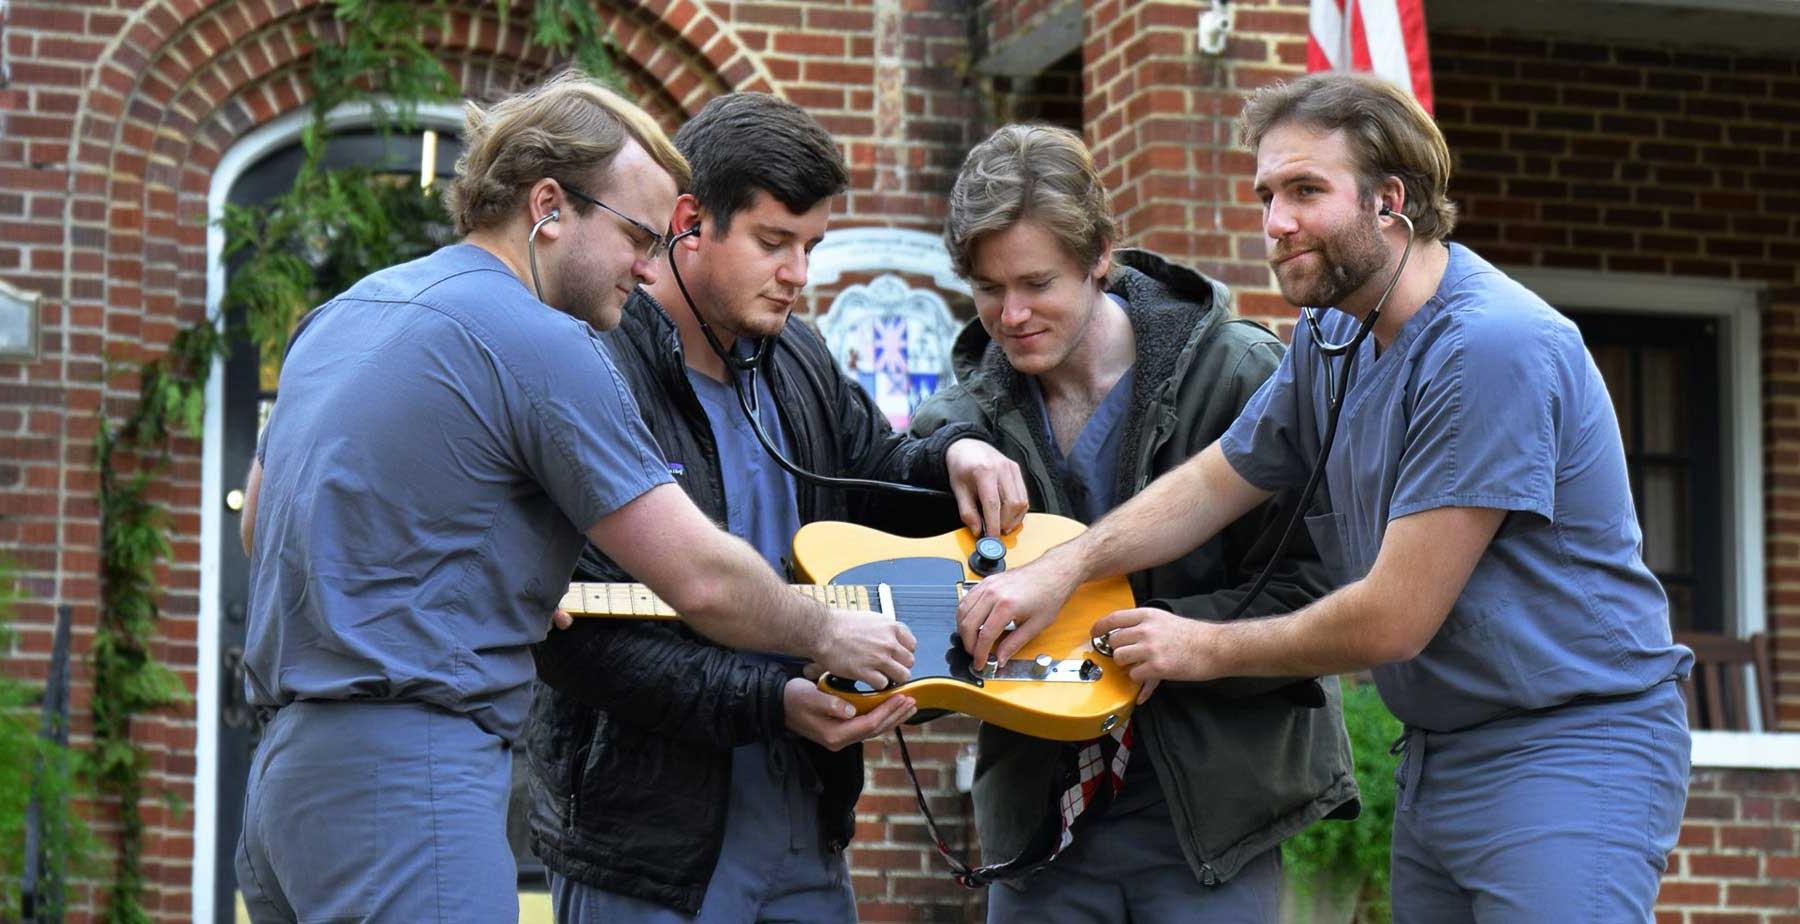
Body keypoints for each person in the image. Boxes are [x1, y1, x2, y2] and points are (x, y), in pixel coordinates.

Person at [957, 73, 1694, 923]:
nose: (1276, 222)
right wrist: (1065, 566)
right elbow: (1211, 482)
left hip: (1567, 748)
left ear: (1391, 200)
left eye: (1306, 190)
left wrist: (1202, 646)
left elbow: (1393, 618)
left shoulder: (1491, 347)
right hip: (1440, 751)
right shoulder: (1332, 336)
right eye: (1267, 193)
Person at [234, 73, 918, 923]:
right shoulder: (547, 342)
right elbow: (699, 578)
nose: (648, 261)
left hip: (284, 780)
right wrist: (829, 630)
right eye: (637, 231)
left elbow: (265, 527)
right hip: (410, 780)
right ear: (550, 206)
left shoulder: (341, 314)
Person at [524, 92, 1027, 923]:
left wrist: (956, 452)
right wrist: (772, 700)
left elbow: (877, 480)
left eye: (812, 245)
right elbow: (580, 640)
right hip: (648, 852)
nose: (799, 273)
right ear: (689, 222)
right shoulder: (593, 364)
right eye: (772, 242)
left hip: (805, 827)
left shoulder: (799, 352)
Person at [907, 124, 1354, 923]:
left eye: (1037, 283)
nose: (1010, 316)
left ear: (1101, 254)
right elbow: (910, 552)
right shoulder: (964, 415)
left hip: (1212, 823)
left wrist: (1180, 637)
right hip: (1041, 833)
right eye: (986, 290)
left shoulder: (1244, 378)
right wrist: (949, 447)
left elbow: (1323, 588)